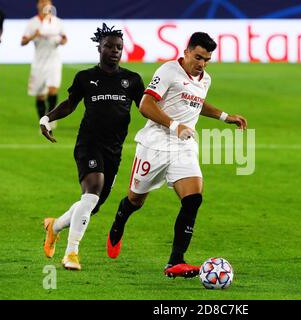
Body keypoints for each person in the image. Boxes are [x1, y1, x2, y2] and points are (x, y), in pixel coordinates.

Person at [106, 32, 248, 278]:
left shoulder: (205, 79)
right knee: (135, 200)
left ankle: (175, 262)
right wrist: (175, 126)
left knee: (193, 199)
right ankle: (119, 221)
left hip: (184, 146)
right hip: (155, 144)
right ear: (187, 52)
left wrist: (226, 116)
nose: (201, 63)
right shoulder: (169, 71)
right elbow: (145, 105)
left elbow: (197, 101)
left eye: (206, 59)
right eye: (198, 57)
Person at [40, 23, 145, 271]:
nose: (115, 51)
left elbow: (147, 108)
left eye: (119, 47)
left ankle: (54, 226)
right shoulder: (86, 78)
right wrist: (47, 118)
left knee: (91, 204)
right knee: (93, 190)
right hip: (89, 144)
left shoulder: (132, 80)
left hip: (114, 150)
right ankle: (71, 253)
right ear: (99, 47)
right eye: (109, 46)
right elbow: (69, 104)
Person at [21, 0, 67, 129]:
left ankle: (51, 118)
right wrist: (34, 35)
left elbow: (65, 39)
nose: (44, 4)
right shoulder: (32, 23)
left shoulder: (57, 22)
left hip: (54, 60)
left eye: (46, 2)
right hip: (39, 61)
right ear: (38, 5)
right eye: (41, 2)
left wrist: (60, 41)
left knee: (53, 89)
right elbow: (23, 42)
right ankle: (42, 122)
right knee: (40, 95)